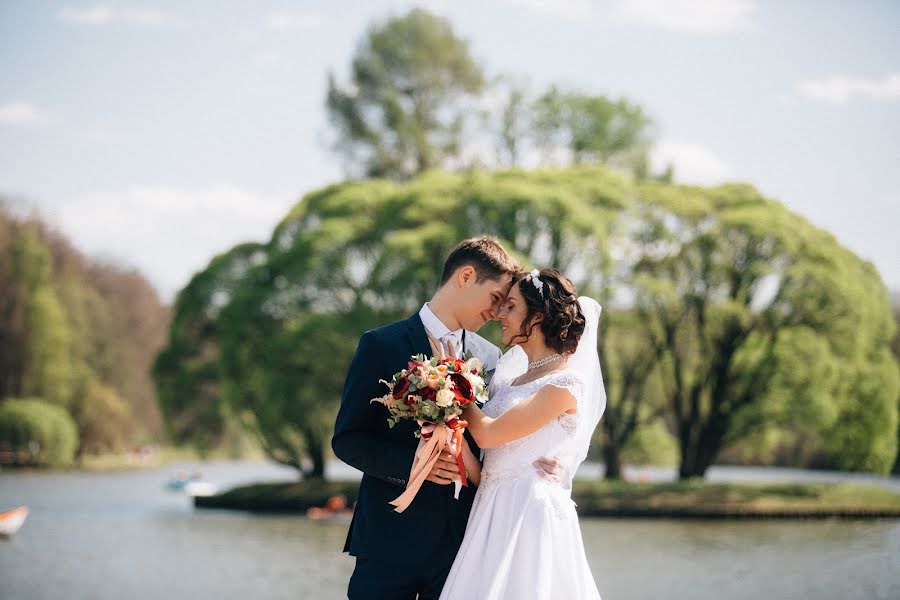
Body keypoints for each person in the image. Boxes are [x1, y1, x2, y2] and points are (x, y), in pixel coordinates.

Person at [332, 237, 566, 600]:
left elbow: (499, 437)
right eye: (495, 299)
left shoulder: (491, 360)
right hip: (387, 541)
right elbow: (347, 439)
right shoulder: (381, 344)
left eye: (506, 305)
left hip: (463, 546)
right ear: (466, 276)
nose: (497, 312)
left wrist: (538, 460)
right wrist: (413, 465)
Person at [439, 268, 606, 600]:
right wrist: (448, 439)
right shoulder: (506, 382)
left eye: (511, 306)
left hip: (527, 515)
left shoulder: (565, 384)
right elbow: (487, 465)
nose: (501, 314)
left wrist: (450, 383)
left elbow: (487, 434)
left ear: (539, 315)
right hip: (489, 512)